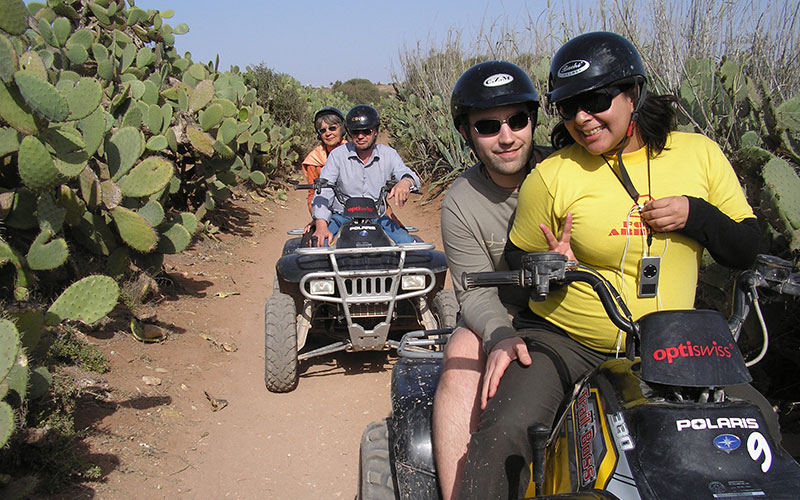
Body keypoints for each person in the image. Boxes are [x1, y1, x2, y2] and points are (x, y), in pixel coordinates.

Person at [460, 31, 776, 499]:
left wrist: (698, 215)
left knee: (759, 422)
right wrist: (545, 265)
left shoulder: (699, 155)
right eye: (568, 108)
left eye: (596, 100)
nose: (583, 119)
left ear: (633, 93)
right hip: (567, 341)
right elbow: (515, 265)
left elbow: (745, 248)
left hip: (675, 344)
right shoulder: (552, 175)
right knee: (504, 432)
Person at [433, 60, 551, 500]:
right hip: (510, 314)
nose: (506, 137)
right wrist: (500, 334)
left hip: (579, 313)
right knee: (463, 349)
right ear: (466, 134)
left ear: (532, 121)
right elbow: (473, 290)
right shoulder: (461, 202)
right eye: (487, 125)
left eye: (517, 120)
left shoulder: (564, 174)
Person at [310, 104, 420, 246]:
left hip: (378, 217)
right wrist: (321, 226)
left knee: (409, 246)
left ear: (375, 131)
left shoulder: (388, 154)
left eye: (366, 131)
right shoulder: (338, 155)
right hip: (342, 216)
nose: (360, 136)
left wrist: (406, 182)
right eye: (355, 132)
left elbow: (407, 174)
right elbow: (323, 190)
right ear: (349, 132)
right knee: (320, 247)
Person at [301, 107, 347, 214]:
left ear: (342, 129)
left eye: (332, 128)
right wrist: (316, 218)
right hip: (328, 210)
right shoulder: (314, 160)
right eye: (323, 130)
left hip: (356, 207)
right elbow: (312, 193)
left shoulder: (354, 152)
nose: (328, 133)